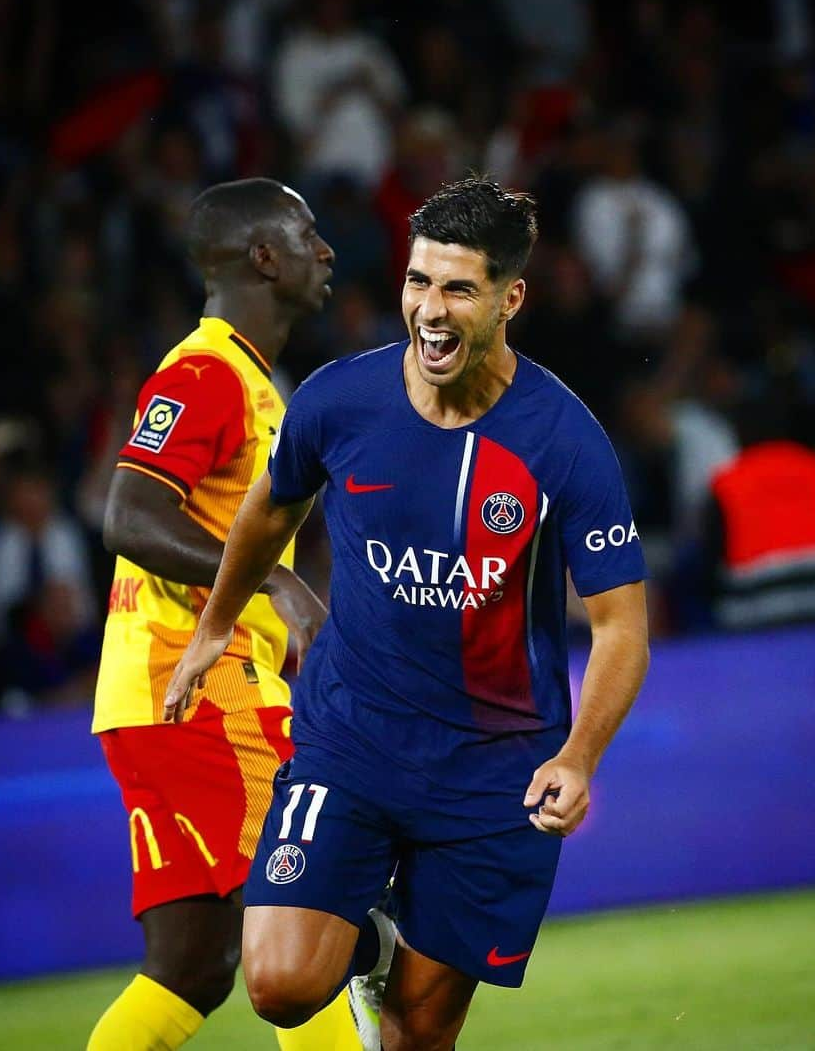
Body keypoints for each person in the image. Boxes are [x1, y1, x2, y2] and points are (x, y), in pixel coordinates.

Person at [164, 177, 651, 1050]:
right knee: (277, 983)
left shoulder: (562, 438)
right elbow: (269, 509)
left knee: (415, 1039)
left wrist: (580, 757)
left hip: (491, 773)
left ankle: (388, 960)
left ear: (511, 298)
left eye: (458, 287)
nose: (430, 308)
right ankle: (371, 939)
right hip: (352, 741)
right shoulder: (339, 401)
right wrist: (214, 626)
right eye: (419, 281)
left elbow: (621, 625)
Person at [88, 178, 362, 1051]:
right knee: (307, 907)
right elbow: (129, 515)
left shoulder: (249, 379)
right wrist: (269, 585)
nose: (326, 252)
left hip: (161, 693)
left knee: (192, 965)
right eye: (308, 234)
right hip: (205, 690)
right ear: (263, 256)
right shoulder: (206, 373)